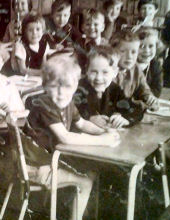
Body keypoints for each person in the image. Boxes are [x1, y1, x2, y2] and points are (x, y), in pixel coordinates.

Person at [26, 54, 120, 220]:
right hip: (36, 167)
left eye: (67, 86)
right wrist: (102, 141)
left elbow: (82, 123)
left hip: (49, 161)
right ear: (45, 86)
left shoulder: (67, 102)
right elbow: (66, 138)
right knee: (86, 181)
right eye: (55, 87)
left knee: (91, 172)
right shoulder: (44, 104)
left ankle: (75, 212)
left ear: (75, 85)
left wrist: (104, 132)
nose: (61, 93)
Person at [75, 46, 144, 127]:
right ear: (86, 71)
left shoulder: (114, 90)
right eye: (94, 72)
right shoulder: (79, 88)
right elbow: (71, 111)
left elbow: (136, 109)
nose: (99, 78)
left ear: (115, 73)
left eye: (105, 72)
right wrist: (89, 119)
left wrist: (125, 119)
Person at [110, 30, 158, 110]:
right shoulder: (108, 70)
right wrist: (141, 104)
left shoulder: (135, 68)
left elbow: (144, 89)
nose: (129, 57)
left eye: (133, 52)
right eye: (123, 51)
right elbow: (119, 101)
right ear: (112, 50)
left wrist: (149, 98)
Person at [136, 29, 163, 97]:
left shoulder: (155, 65)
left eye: (151, 46)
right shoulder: (130, 66)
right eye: (141, 46)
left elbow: (157, 90)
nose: (147, 50)